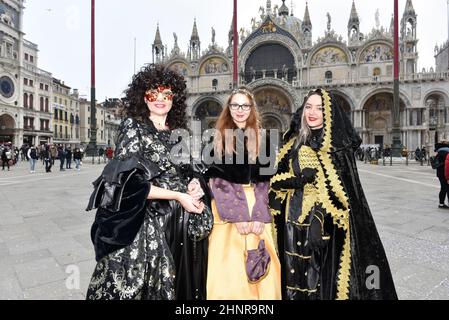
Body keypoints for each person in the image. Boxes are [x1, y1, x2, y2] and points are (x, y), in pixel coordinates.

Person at [85, 64, 211, 300]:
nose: (160, 100)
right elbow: (126, 183)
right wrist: (177, 196)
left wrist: (194, 183)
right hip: (150, 222)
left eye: (167, 94)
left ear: (175, 99)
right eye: (154, 94)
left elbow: (188, 170)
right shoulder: (133, 127)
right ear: (143, 96)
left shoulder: (178, 131)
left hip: (182, 221)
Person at [269, 89, 397, 300]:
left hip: (326, 227)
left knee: (320, 279)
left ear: (328, 112)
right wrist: (296, 181)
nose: (312, 112)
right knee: (293, 274)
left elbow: (344, 193)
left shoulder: (338, 148)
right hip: (291, 219)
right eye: (308, 107)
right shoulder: (293, 142)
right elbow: (276, 179)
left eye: (319, 108)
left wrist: (320, 217)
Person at [204, 87, 281, 300]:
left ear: (251, 109)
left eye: (245, 105)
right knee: (228, 274)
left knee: (261, 266)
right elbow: (217, 181)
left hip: (256, 205)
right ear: (228, 108)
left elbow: (265, 181)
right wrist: (237, 215)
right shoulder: (216, 139)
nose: (240, 110)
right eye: (235, 105)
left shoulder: (264, 140)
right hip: (226, 208)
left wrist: (259, 215)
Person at [434, 141, 449, 209]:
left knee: (443, 188)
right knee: (446, 188)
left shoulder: (439, 151)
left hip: (440, 173)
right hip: (446, 173)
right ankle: (442, 204)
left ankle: (441, 203)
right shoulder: (447, 152)